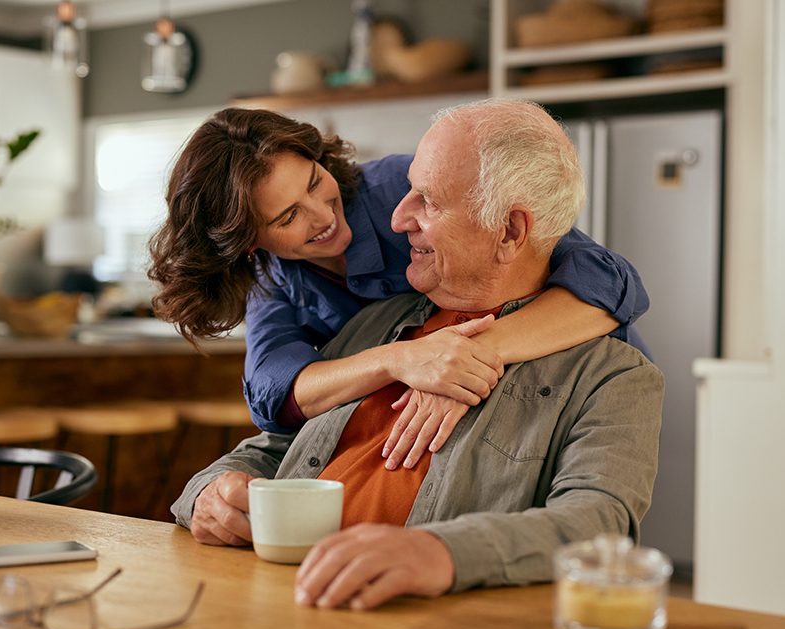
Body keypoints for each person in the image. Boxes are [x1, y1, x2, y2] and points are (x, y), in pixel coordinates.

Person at [171, 99, 663, 611]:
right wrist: (207, 493)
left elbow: (597, 523)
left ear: (510, 231)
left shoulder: (611, 376)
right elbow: (276, 434)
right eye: (289, 215)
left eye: (426, 200)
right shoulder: (375, 327)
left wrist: (436, 552)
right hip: (277, 599)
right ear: (252, 243)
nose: (398, 217)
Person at [148, 107, 650, 469]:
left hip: (564, 382)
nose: (324, 215)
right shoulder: (272, 280)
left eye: (313, 181)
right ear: (248, 243)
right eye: (288, 216)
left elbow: (607, 280)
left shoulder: (399, 189)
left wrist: (468, 354)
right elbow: (274, 395)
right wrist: (400, 360)